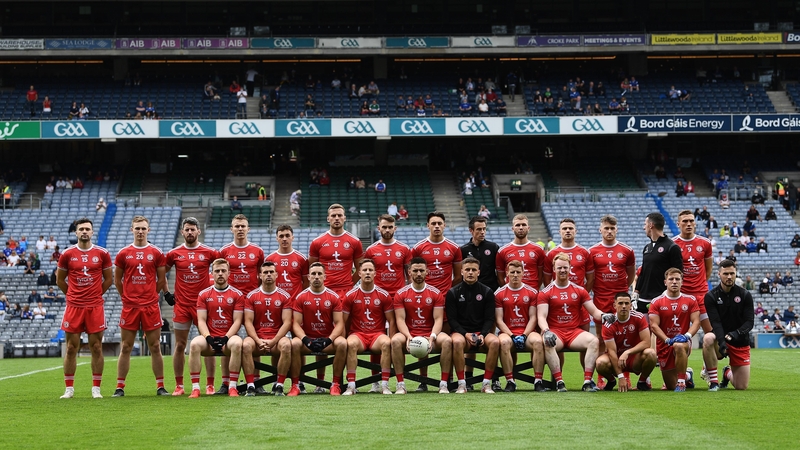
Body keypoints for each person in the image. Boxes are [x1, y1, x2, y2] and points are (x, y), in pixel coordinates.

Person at [538, 253, 616, 392]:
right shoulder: (546, 292)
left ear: (570, 269)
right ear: (554, 269)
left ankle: (587, 382)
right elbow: (541, 317)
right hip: (556, 332)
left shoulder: (579, 290)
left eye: (565, 268)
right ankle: (559, 382)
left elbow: (594, 311)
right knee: (547, 341)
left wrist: (603, 315)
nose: (562, 270)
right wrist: (546, 331)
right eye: (559, 268)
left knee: (594, 341)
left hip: (574, 332)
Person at [56, 218, 113, 399]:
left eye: (87, 229)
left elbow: (109, 279)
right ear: (76, 232)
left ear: (92, 232)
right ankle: (69, 389)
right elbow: (59, 280)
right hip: (74, 306)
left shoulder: (102, 253)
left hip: (94, 306)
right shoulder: (67, 254)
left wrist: (95, 295)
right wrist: (72, 295)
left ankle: (96, 388)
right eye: (81, 229)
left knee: (96, 347)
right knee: (72, 347)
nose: (84, 232)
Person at [163, 217, 220, 396]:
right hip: (182, 305)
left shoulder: (210, 252)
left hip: (203, 306)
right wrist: (166, 293)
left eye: (192, 229)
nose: (189, 232)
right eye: (186, 230)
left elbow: (223, 269)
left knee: (210, 344)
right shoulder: (174, 253)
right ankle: (179, 385)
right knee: (180, 345)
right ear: (182, 232)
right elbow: (160, 273)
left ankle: (210, 385)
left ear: (198, 231)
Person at [113, 216, 167, 397]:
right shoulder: (123, 253)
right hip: (130, 307)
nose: (140, 231)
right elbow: (117, 279)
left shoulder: (156, 253)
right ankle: (119, 387)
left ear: (148, 230)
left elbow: (161, 279)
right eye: (137, 228)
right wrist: (126, 297)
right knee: (126, 346)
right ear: (132, 230)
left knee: (155, 346)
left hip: (150, 306)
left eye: (143, 228)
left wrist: (152, 295)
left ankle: (160, 386)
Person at [217, 214, 265, 394]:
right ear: (231, 229)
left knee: (255, 340)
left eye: (243, 226)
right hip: (230, 301)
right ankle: (226, 382)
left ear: (248, 228)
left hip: (252, 301)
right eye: (236, 226)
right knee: (226, 341)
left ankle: (257, 381)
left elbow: (261, 275)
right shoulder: (224, 251)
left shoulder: (257, 251)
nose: (240, 229)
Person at [588, 214, 636, 389]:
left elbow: (630, 275)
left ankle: (626, 375)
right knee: (601, 338)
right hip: (601, 299)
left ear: (617, 229)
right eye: (606, 228)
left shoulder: (627, 250)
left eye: (612, 228)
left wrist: (622, 292)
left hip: (621, 300)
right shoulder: (592, 251)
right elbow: (591, 277)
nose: (609, 231)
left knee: (624, 339)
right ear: (600, 229)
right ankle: (602, 377)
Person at [391, 257, 453, 394]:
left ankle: (443, 384)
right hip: (410, 333)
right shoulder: (401, 294)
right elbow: (400, 319)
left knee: (448, 341)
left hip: (429, 332)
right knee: (395, 341)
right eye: (415, 271)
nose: (418, 274)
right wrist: (408, 336)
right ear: (409, 272)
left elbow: (438, 319)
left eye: (421, 271)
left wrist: (432, 337)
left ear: (427, 272)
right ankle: (400, 384)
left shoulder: (435, 293)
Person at [495, 260, 556, 392]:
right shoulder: (499, 293)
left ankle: (538, 381)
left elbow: (533, 317)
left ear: (523, 273)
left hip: (526, 332)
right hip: (508, 332)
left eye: (518, 272)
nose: (515, 275)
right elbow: (499, 320)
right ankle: (510, 381)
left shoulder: (532, 292)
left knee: (539, 342)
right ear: (507, 273)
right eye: (512, 272)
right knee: (504, 343)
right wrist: (512, 336)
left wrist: (523, 335)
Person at [187, 259, 245, 398]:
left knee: (237, 344)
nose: (220, 274)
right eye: (217, 271)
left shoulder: (237, 294)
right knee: (194, 344)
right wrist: (208, 337)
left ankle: (232, 387)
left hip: (229, 337)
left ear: (229, 273)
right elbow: (201, 320)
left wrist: (226, 337)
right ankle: (195, 388)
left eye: (223, 271)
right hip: (210, 337)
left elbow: (237, 321)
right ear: (211, 273)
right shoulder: (204, 294)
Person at [289, 263, 347, 396]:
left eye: (319, 274)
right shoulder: (301, 297)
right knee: (294, 344)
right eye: (313, 274)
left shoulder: (333, 297)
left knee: (342, 343)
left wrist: (329, 340)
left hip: (327, 339)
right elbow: (296, 324)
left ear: (325, 276)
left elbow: (339, 323)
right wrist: (305, 339)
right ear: (308, 277)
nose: (316, 277)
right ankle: (296, 385)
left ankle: (335, 384)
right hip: (308, 341)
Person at [340, 260, 395, 395]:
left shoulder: (383, 295)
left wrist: (392, 338)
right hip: (358, 334)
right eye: (364, 270)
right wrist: (342, 339)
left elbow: (391, 320)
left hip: (377, 334)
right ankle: (351, 386)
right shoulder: (350, 295)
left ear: (375, 273)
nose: (368, 273)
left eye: (370, 270)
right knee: (350, 344)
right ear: (359, 273)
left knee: (387, 343)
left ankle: (385, 385)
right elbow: (343, 321)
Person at [445, 257, 500, 393]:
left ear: (479, 272)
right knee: (456, 342)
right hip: (462, 332)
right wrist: (465, 334)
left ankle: (486, 384)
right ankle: (462, 384)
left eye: (473, 270)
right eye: (467, 270)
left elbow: (489, 318)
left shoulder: (487, 292)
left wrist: (483, 334)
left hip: (481, 332)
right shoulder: (452, 292)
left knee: (495, 342)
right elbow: (452, 320)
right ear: (462, 272)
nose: (470, 272)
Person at [241, 262, 293, 396]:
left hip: (276, 338)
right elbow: (248, 321)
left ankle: (279, 385)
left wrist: (274, 340)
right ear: (259, 275)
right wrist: (258, 341)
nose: (268, 274)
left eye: (271, 272)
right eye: (265, 272)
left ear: (276, 275)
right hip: (257, 338)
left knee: (287, 345)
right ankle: (251, 386)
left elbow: (287, 322)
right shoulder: (251, 296)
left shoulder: (285, 296)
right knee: (246, 345)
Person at [702, 260, 754, 391]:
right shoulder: (710, 296)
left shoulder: (745, 295)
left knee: (741, 386)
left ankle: (727, 373)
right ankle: (713, 382)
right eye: (726, 274)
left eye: (732, 273)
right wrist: (722, 341)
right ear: (719, 274)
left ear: (736, 274)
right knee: (708, 338)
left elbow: (749, 322)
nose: (729, 277)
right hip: (720, 339)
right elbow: (715, 322)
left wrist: (735, 334)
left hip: (740, 341)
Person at [649, 268, 701, 392]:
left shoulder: (690, 300)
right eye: (671, 279)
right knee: (670, 386)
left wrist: (687, 336)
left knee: (678, 346)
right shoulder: (656, 302)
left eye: (677, 279)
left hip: (683, 341)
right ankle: (688, 375)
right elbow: (654, 326)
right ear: (665, 282)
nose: (674, 282)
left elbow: (697, 322)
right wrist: (667, 340)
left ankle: (682, 382)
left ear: (682, 282)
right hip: (664, 344)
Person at [595, 292, 657, 392]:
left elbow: (646, 342)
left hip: (634, 358)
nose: (624, 306)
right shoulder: (608, 324)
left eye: (626, 303)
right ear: (614, 305)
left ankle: (642, 382)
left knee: (651, 353)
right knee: (600, 363)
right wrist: (620, 376)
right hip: (616, 359)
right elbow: (611, 352)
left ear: (630, 305)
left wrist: (627, 352)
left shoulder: (639, 317)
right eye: (620, 303)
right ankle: (611, 381)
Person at [309, 204, 364, 298]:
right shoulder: (317, 242)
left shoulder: (355, 241)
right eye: (333, 216)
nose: (337, 218)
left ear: (345, 218)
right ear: (328, 219)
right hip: (324, 289)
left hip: (346, 291)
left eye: (340, 215)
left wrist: (349, 283)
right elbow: (310, 268)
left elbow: (360, 268)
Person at [633, 212, 683, 315]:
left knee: (659, 330)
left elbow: (679, 274)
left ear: (651, 225)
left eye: (645, 224)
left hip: (662, 299)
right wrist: (636, 292)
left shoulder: (672, 247)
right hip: (643, 299)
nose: (644, 228)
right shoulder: (647, 247)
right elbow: (644, 271)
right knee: (644, 330)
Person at [673, 210, 714, 334]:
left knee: (711, 334)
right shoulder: (672, 244)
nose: (689, 224)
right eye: (685, 221)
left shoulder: (705, 243)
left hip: (701, 295)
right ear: (678, 224)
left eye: (691, 221)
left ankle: (718, 354)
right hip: (681, 295)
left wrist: (699, 284)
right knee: (678, 335)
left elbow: (709, 269)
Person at [411, 212, 463, 295]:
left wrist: (449, 291)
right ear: (428, 226)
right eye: (433, 223)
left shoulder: (454, 248)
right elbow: (411, 273)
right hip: (425, 295)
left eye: (439, 223)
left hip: (446, 295)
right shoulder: (418, 248)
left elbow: (458, 276)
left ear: (444, 225)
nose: (437, 226)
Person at [496, 214, 546, 290]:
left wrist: (534, 290)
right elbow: (500, 277)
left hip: (532, 294)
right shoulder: (503, 251)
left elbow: (541, 275)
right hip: (511, 293)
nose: (521, 228)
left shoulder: (538, 249)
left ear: (528, 228)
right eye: (518, 225)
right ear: (512, 229)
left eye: (524, 225)